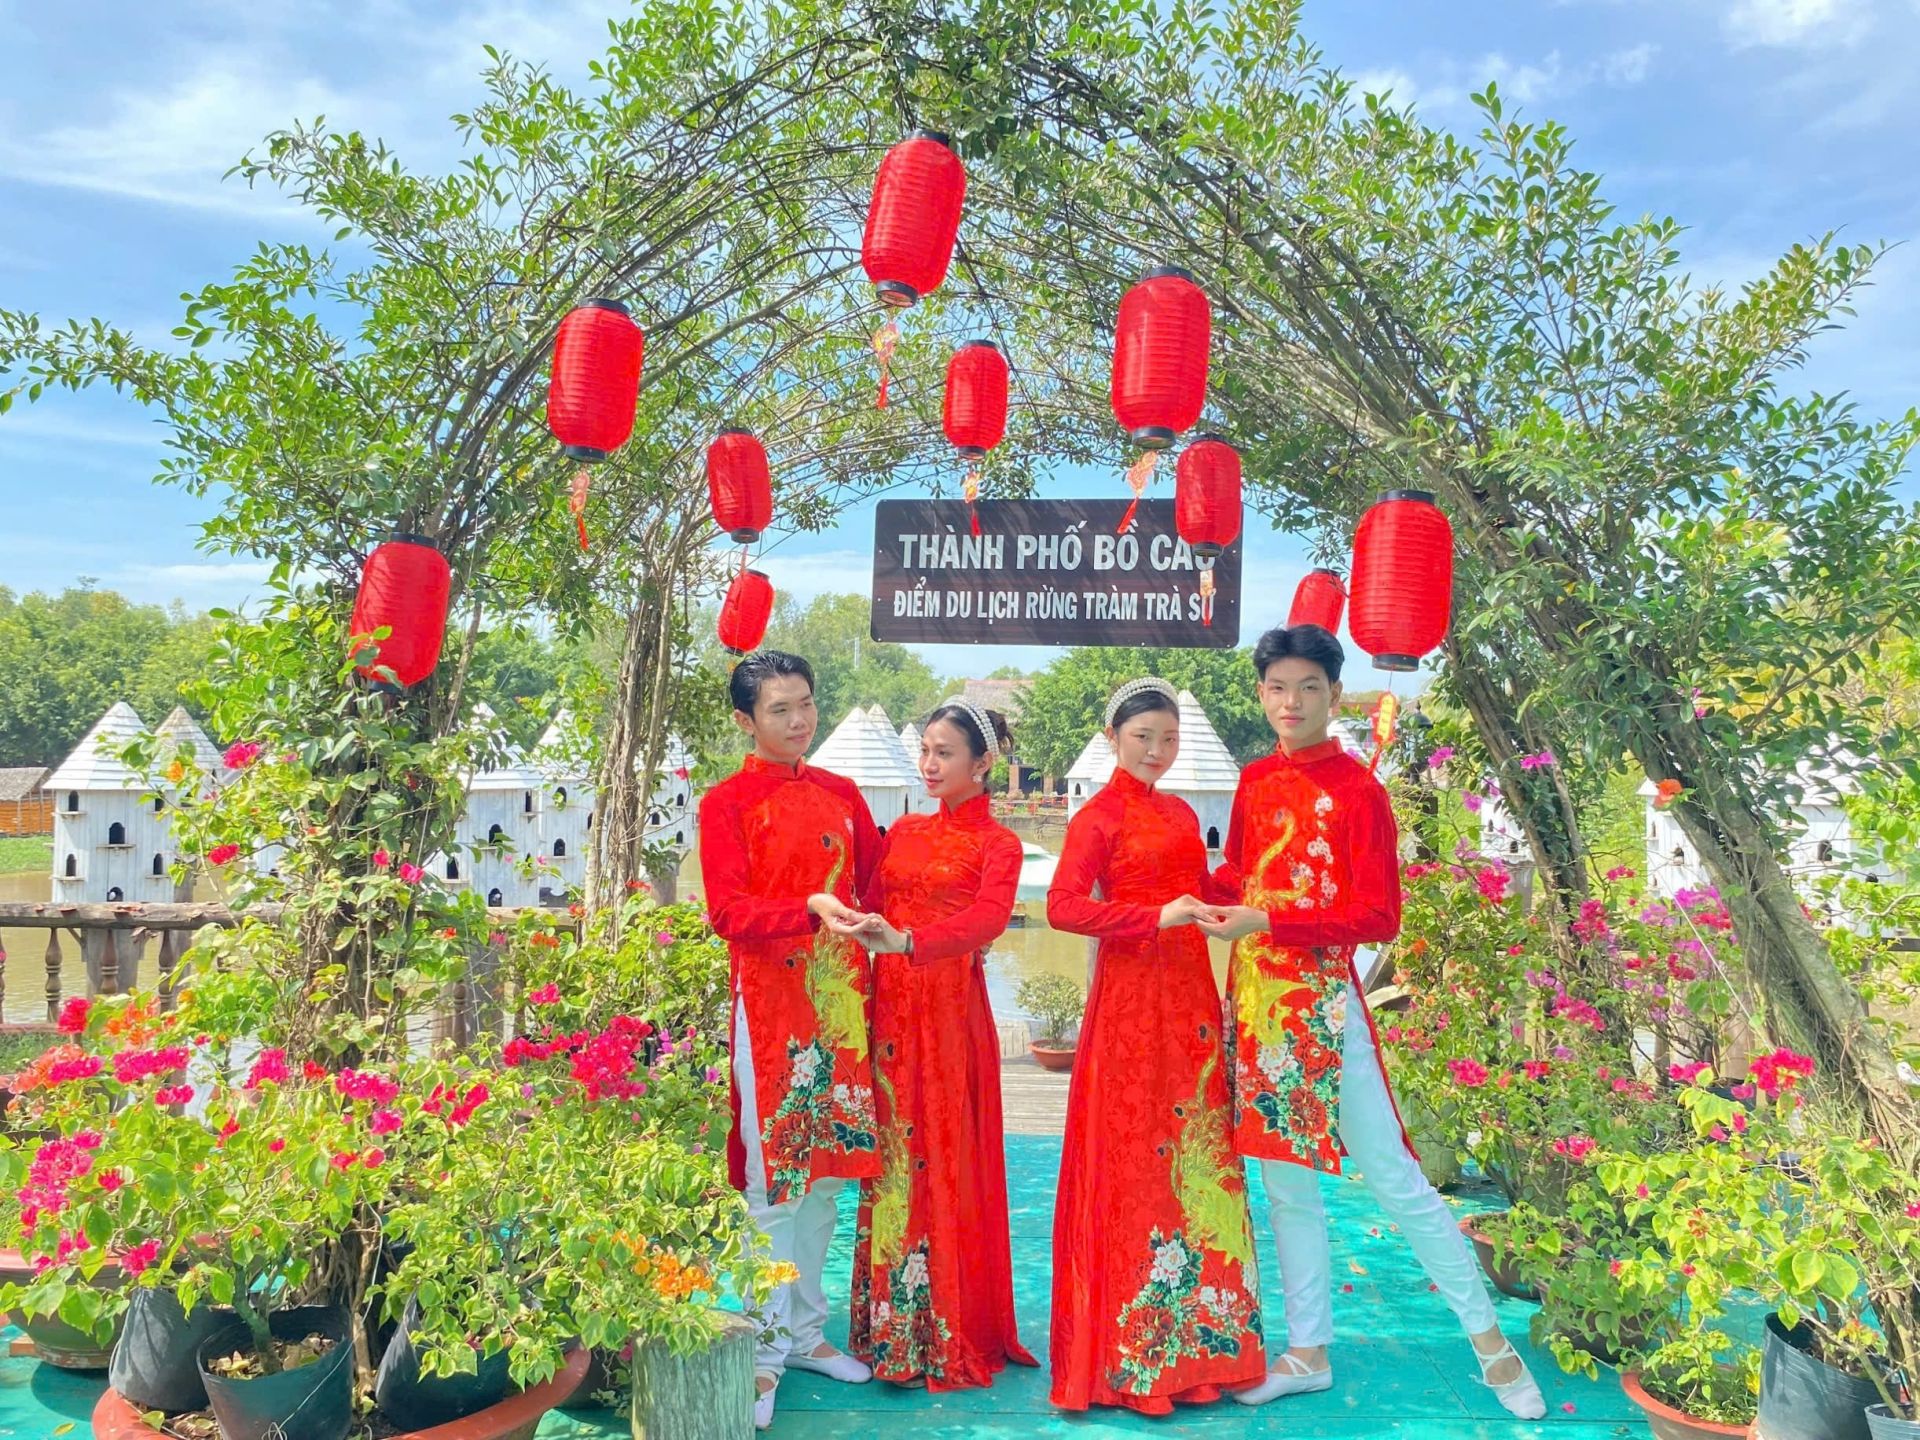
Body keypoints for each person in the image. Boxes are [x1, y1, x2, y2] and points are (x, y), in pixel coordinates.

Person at [1199, 625, 1546, 1418]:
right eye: (1277, 688)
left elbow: (1378, 914)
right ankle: (1308, 1351)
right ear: (1262, 694)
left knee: (1394, 1176)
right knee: (1285, 1186)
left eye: (1308, 688)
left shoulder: (1360, 793)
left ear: (1333, 694)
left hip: (1325, 1002)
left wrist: (1266, 923)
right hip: (1255, 1003)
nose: (1291, 703)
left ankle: (1490, 1344)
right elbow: (1239, 875)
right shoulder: (1253, 782)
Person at [1044, 678, 1268, 1415]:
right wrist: (1152, 915)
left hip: (1191, 1003)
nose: (1156, 751)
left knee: (1197, 1155)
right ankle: (1133, 1357)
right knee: (1136, 1159)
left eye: (1168, 739)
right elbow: (1063, 907)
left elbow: (1205, 886)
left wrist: (1240, 878)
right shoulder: (1096, 818)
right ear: (1113, 738)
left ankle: (1202, 1350)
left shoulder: (1179, 811)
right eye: (1143, 737)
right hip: (1131, 1002)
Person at [697, 650, 883, 1431]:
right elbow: (728, 913)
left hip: (841, 1012)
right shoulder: (727, 804)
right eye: (780, 710)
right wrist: (808, 905)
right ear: (746, 721)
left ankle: (804, 1334)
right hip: (770, 1012)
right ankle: (763, 1354)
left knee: (828, 1181)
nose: (799, 720)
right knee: (775, 1188)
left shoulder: (843, 794)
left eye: (805, 704)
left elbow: (876, 884)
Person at [829, 698, 1038, 1390]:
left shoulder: (999, 845)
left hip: (950, 1014)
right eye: (925, 750)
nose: (930, 764)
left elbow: (988, 920)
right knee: (892, 1155)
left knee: (944, 1152)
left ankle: (948, 1324)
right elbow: (870, 898)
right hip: (890, 1013)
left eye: (945, 753)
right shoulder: (904, 832)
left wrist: (912, 941)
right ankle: (890, 1326)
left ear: (984, 764)